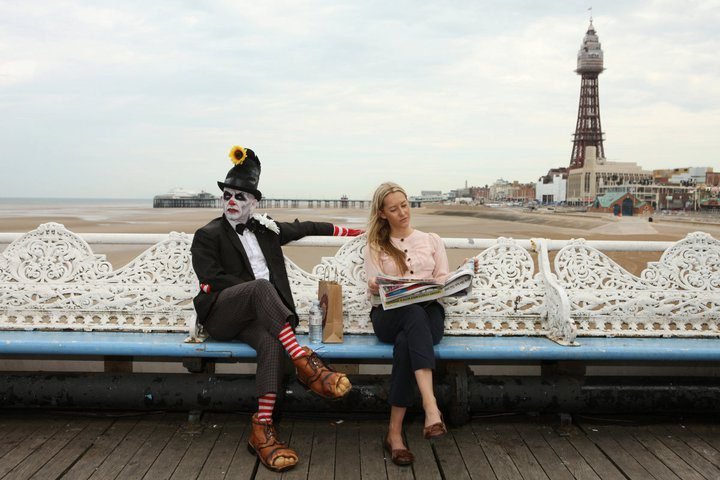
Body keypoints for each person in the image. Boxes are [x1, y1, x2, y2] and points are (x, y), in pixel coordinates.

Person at [191, 145, 362, 472]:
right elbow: (211, 278)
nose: (231, 201)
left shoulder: (267, 231)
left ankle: (263, 429)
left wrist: (354, 233)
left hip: (262, 320)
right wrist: (254, 292)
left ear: (254, 203)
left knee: (271, 345)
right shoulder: (208, 234)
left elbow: (307, 226)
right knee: (260, 287)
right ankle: (305, 362)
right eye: (227, 195)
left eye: (240, 197)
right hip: (222, 314)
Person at [363, 182, 449, 466]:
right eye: (394, 208)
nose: (402, 212)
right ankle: (430, 406)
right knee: (410, 314)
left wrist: (446, 285)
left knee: (406, 342)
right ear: (383, 213)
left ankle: (394, 434)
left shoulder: (432, 240)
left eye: (404, 205)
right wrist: (376, 285)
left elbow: (443, 279)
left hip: (429, 316)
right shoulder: (376, 246)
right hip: (389, 316)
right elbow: (374, 290)